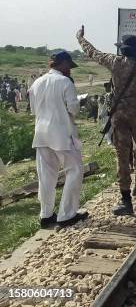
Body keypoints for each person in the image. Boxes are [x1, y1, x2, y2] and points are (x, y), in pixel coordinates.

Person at [77, 28, 136, 215]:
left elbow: (92, 52)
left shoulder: (114, 62)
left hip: (119, 115)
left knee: (122, 155)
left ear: (122, 49)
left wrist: (80, 37)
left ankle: (126, 200)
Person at [28, 51, 88, 228]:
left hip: (41, 133)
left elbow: (33, 110)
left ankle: (46, 215)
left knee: (46, 176)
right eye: (69, 67)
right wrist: (78, 102)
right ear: (62, 64)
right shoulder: (65, 82)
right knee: (75, 170)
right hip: (61, 133)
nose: (70, 70)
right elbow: (74, 109)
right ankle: (66, 215)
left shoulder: (36, 82)